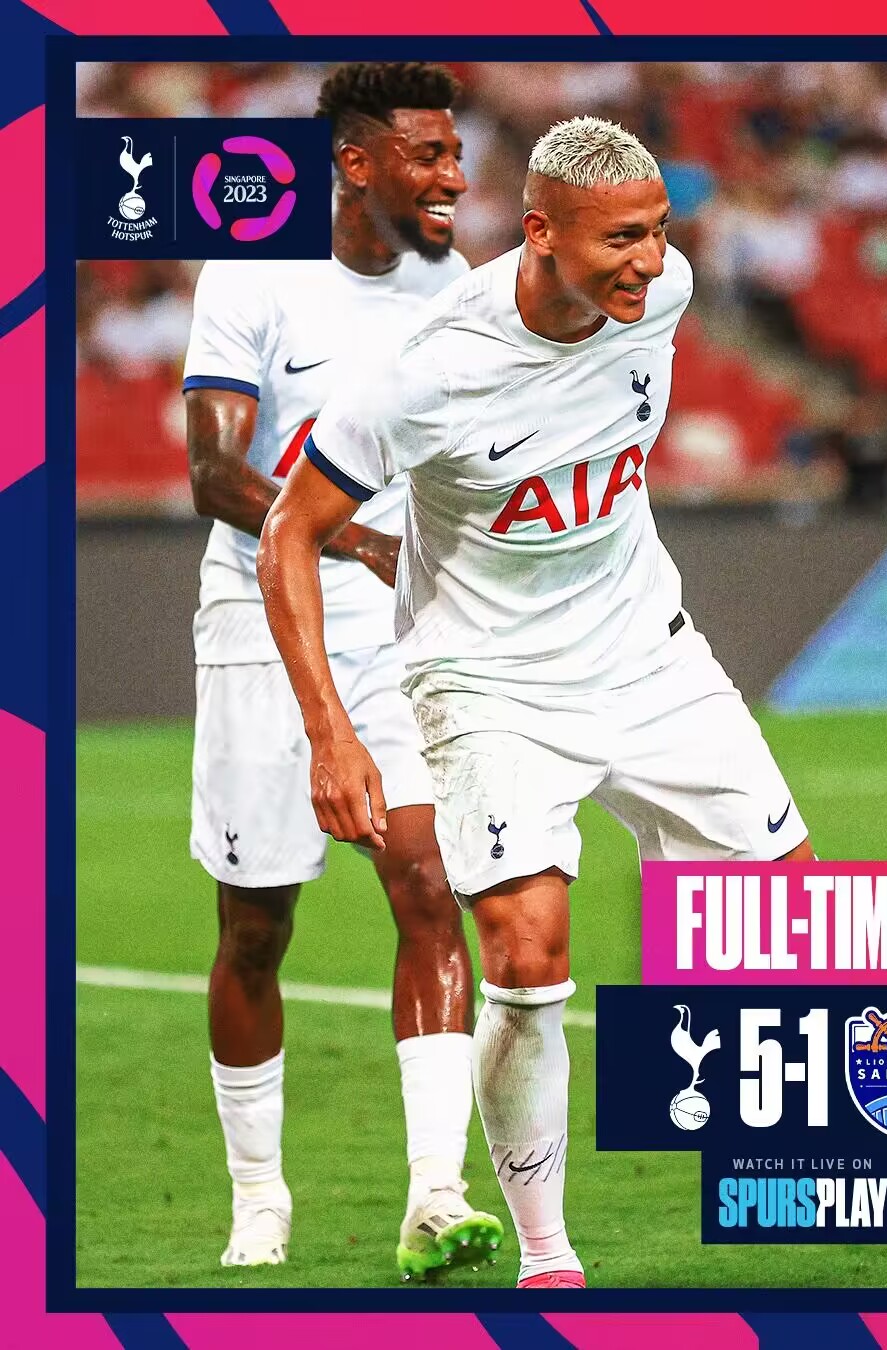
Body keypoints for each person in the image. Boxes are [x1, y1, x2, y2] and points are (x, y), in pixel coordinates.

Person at [257, 115, 814, 1289]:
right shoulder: (427, 373)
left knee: (788, 914)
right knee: (524, 945)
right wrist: (330, 734)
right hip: (489, 684)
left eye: (657, 231)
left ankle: (753, 1143)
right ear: (540, 232)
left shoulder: (664, 295)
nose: (649, 261)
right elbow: (287, 534)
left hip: (649, 656)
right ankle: (548, 1257)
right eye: (621, 240)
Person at [182, 61, 501, 1279]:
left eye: (456, 153)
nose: (453, 176)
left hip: (396, 626)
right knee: (255, 925)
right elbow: (214, 475)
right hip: (261, 614)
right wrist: (348, 533)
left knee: (427, 881)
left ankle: (436, 1196)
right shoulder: (251, 275)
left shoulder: (455, 290)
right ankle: (258, 1197)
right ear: (357, 164)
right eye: (428, 155)